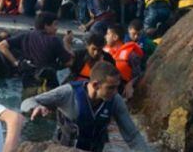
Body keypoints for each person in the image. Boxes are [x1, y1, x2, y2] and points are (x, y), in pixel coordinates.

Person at [21, 62, 150, 152]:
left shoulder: (115, 100)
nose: (116, 92)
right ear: (95, 85)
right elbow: (26, 102)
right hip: (64, 149)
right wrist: (36, 106)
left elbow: (133, 136)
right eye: (111, 88)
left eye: (117, 87)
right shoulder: (68, 93)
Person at [0, 12, 74, 99]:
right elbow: (69, 62)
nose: (57, 28)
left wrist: (16, 63)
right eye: (55, 24)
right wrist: (67, 43)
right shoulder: (54, 40)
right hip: (48, 87)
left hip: (28, 87)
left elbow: (1, 46)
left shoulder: (25, 36)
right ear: (46, 26)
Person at [104, 24, 144, 99]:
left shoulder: (131, 55)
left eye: (108, 34)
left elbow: (139, 74)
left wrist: (130, 84)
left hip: (121, 92)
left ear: (115, 37)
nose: (105, 36)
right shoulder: (104, 52)